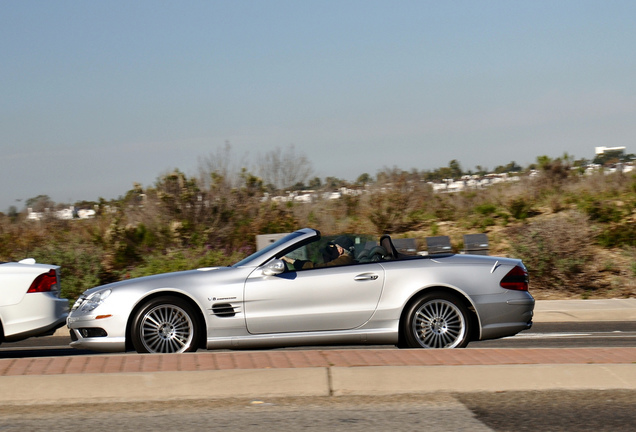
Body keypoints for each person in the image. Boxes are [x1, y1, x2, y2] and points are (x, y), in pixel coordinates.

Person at [282, 236, 355, 270]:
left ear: (340, 250)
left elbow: (317, 268)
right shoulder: (350, 261)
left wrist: (291, 261)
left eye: (334, 247)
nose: (332, 249)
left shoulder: (342, 262)